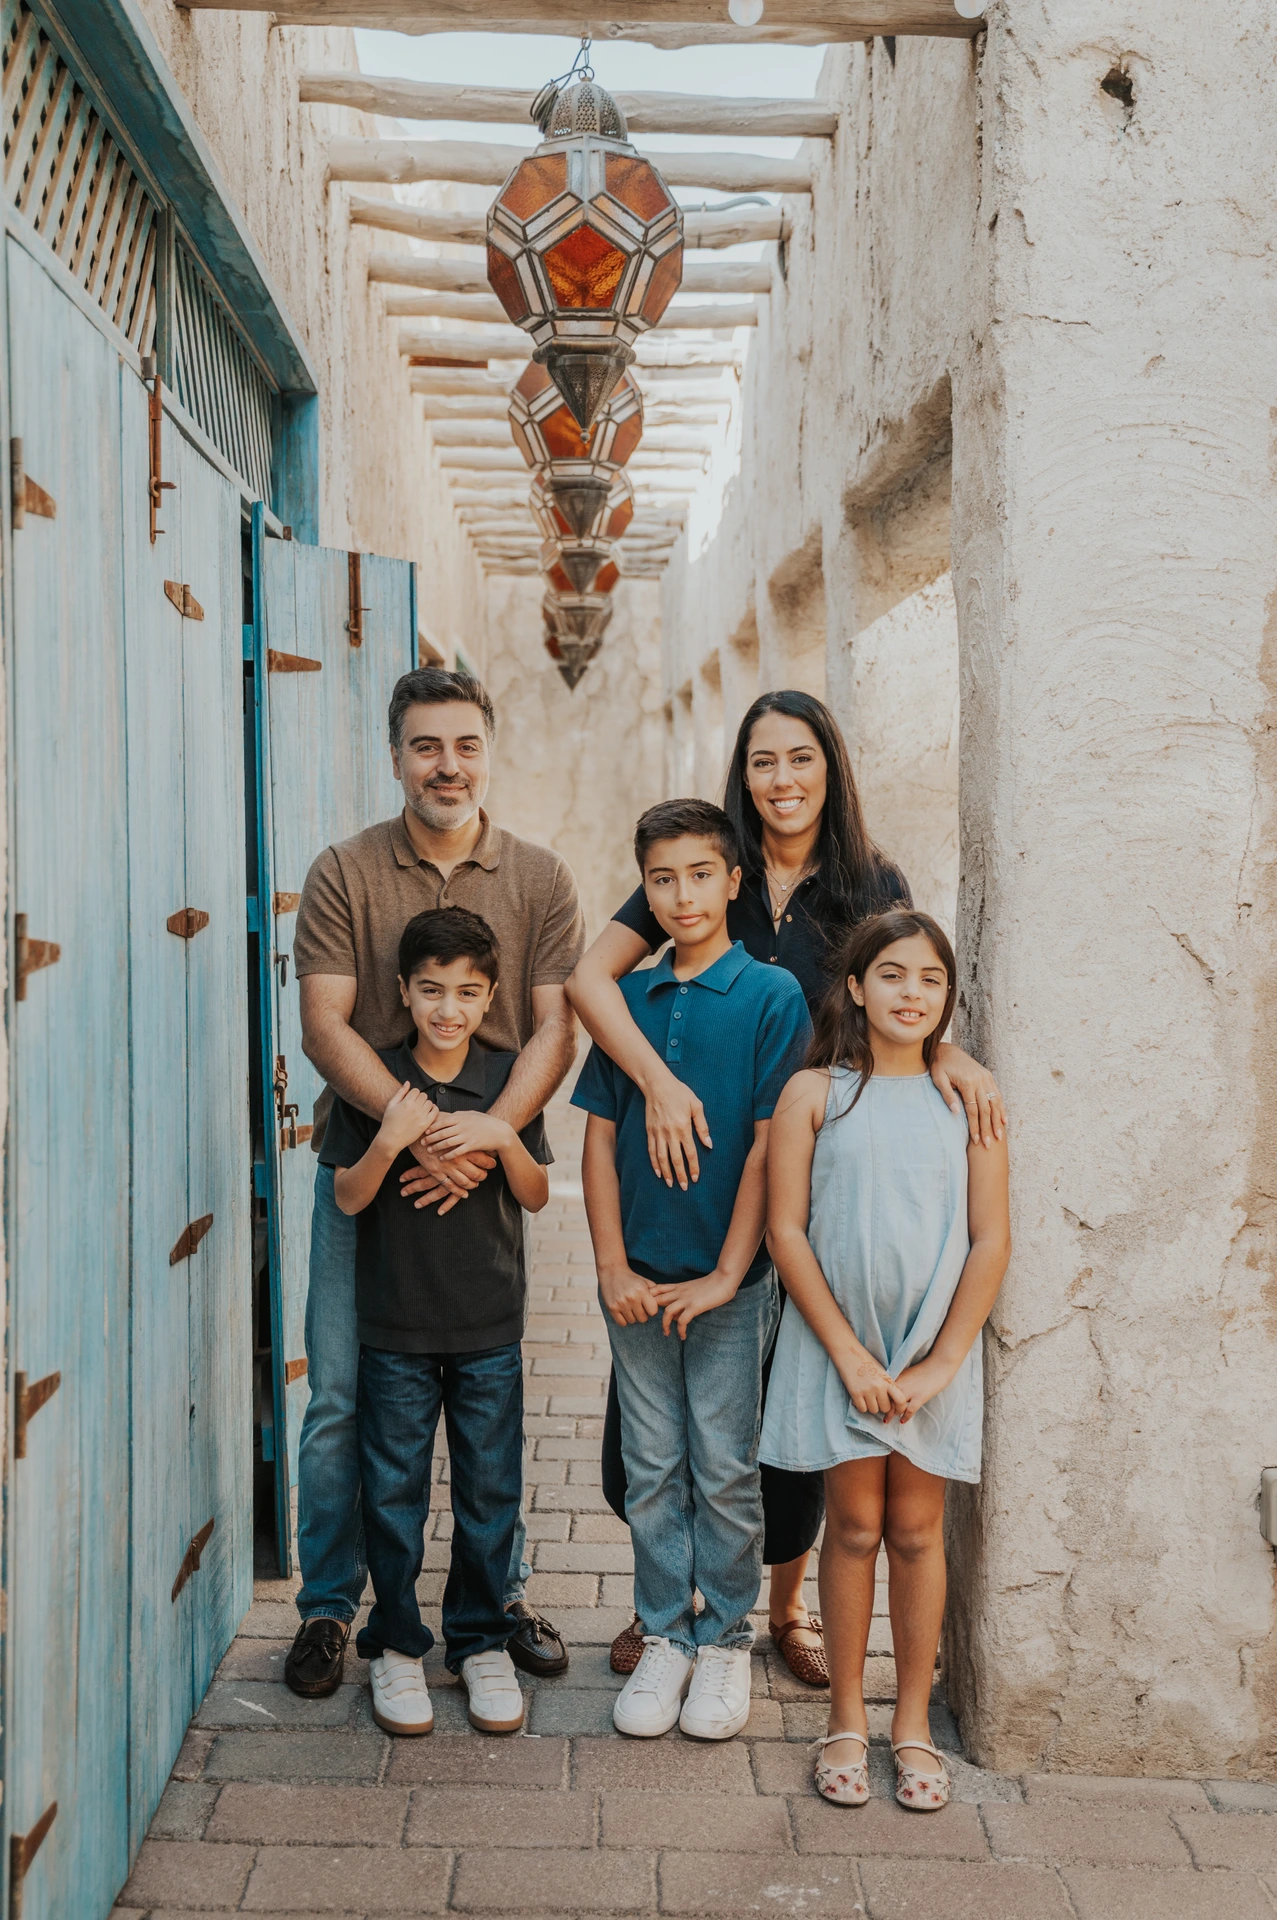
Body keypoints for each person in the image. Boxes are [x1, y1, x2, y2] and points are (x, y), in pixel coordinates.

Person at [565, 689, 1006, 1685]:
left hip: (812, 1169)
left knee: (788, 1400)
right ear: (742, 774)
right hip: (689, 1173)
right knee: (668, 1415)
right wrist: (657, 1082)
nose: (782, 781)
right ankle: (669, 1607)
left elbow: (903, 987)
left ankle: (781, 1603)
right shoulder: (706, 863)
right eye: (763, 762)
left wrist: (957, 1061)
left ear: (828, 767)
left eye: (800, 759)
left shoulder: (865, 878)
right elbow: (590, 984)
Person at [285, 667, 583, 1700]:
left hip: (491, 1175)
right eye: (424, 746)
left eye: (463, 744)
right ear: (396, 753)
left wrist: (485, 1136)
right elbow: (325, 1021)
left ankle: (494, 1600)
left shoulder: (538, 878)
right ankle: (332, 1607)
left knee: (487, 1406)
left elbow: (556, 1025)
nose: (445, 764)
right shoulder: (344, 872)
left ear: (487, 751)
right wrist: (412, 1137)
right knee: (341, 1399)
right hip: (366, 1162)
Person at [573, 798, 813, 1741]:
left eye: (699, 875)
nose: (681, 896)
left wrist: (725, 1275)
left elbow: (765, 1149)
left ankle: (723, 1639)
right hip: (634, 1277)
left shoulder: (769, 997)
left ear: (732, 882)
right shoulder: (628, 1001)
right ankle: (666, 1633)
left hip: (726, 1285)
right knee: (649, 1465)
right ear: (646, 888)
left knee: (720, 1468)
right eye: (661, 879)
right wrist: (606, 1266)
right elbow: (596, 1139)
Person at [761, 910, 1010, 1808]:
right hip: (839, 1346)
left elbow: (989, 1241)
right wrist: (849, 1357)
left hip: (926, 1351)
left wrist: (939, 1365)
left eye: (930, 980)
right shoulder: (815, 1094)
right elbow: (786, 1232)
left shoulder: (967, 1100)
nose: (912, 993)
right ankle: (844, 1716)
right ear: (856, 988)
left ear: (947, 999)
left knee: (915, 1530)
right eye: (893, 975)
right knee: (853, 1526)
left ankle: (909, 1723)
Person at [322, 908, 551, 1736]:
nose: (447, 1008)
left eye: (465, 992)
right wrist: (391, 1139)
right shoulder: (375, 1079)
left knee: (489, 1492)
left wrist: (500, 1135)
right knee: (392, 1494)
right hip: (395, 1329)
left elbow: (532, 1194)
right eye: (430, 991)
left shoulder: (504, 1078)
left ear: (489, 995)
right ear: (404, 993)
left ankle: (480, 1639)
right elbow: (348, 1196)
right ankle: (394, 1644)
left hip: (489, 1325)